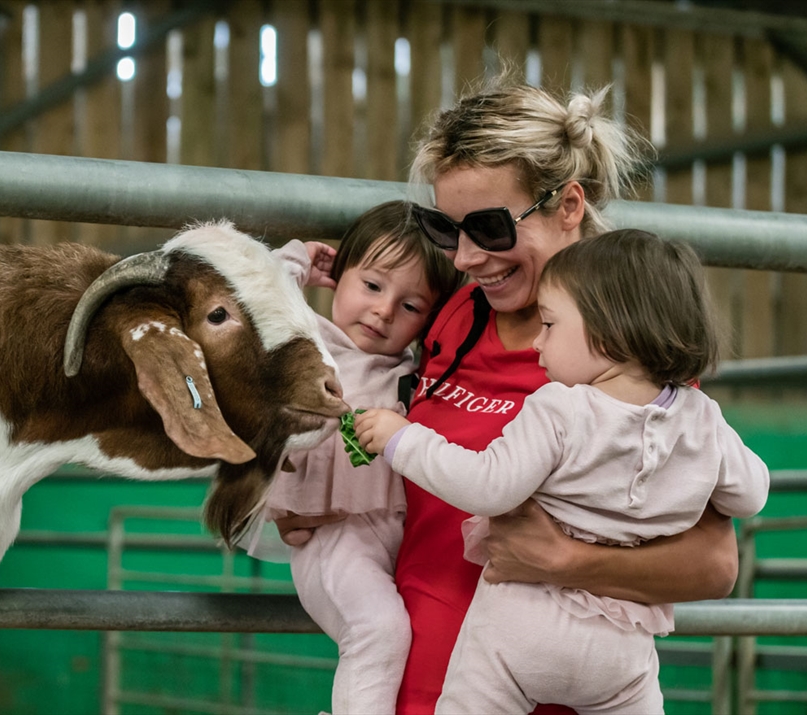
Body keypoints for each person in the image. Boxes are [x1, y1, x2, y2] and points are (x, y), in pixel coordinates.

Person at [274, 72, 742, 715]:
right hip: (414, 686)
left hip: (544, 689)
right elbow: (382, 423)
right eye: (447, 229)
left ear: (568, 206)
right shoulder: (452, 316)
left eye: (490, 228)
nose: (465, 257)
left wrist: (566, 560)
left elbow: (714, 564)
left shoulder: (626, 352)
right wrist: (320, 499)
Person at [354, 229, 770, 713]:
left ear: (610, 335)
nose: (537, 341)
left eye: (550, 325)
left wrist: (402, 439)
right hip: (621, 652)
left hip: (519, 633)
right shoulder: (703, 416)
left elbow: (488, 487)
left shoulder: (560, 407)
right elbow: (751, 496)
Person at [245, 201, 463, 715]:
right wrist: (302, 259)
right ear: (339, 276)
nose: (384, 311)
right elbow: (254, 295)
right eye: (371, 285)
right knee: (378, 630)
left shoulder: (411, 370)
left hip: (394, 537)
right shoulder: (308, 341)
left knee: (406, 635)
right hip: (331, 536)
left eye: (411, 306)